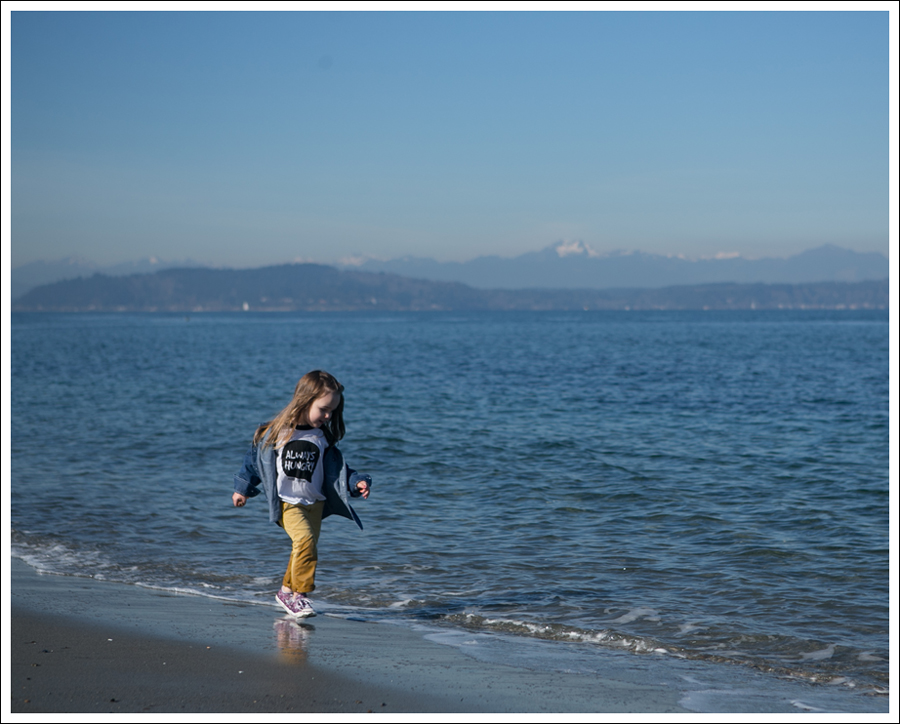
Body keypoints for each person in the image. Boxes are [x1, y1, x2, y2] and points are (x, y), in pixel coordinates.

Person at [232, 370, 371, 619]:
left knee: (302, 548)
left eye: (333, 411)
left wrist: (356, 481)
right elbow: (253, 463)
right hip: (288, 503)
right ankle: (301, 596)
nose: (328, 416)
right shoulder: (276, 433)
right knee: (305, 541)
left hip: (315, 503)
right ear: (305, 401)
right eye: (324, 409)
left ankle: (286, 590)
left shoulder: (322, 436)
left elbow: (338, 470)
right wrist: (242, 489)